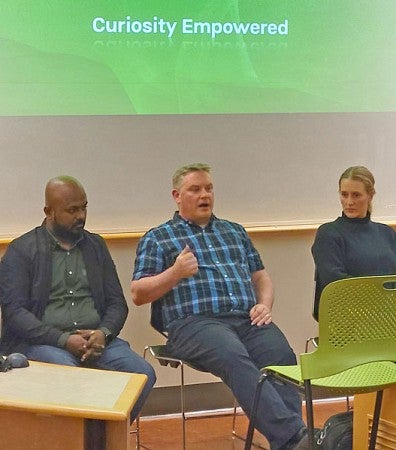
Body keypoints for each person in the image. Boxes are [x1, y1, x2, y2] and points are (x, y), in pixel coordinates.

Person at [131, 163, 310, 450]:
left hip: (245, 318)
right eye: (195, 189)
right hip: (193, 324)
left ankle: (292, 439)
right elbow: (138, 293)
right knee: (232, 355)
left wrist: (265, 305)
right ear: (177, 196)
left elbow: (260, 276)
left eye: (209, 188)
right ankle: (295, 438)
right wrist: (175, 272)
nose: (205, 195)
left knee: (281, 355)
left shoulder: (234, 231)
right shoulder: (158, 237)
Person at [0, 176, 155, 421]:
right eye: (72, 210)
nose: (81, 215)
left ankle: (104, 440)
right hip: (44, 343)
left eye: (84, 207)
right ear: (48, 211)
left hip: (96, 340)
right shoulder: (22, 250)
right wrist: (63, 339)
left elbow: (117, 303)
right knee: (72, 377)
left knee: (142, 374)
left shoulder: (96, 246)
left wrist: (103, 332)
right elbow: (15, 312)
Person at [312, 165, 396, 320]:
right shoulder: (328, 234)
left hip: (389, 318)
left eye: (356, 195)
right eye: (344, 194)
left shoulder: (387, 234)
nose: (349, 202)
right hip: (347, 322)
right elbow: (336, 285)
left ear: (370, 196)